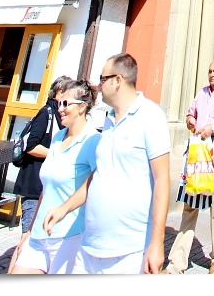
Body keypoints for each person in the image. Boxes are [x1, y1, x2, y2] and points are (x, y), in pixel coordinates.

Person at [43, 53, 171, 274]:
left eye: (103, 79)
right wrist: (65, 208)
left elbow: (162, 179)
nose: (99, 86)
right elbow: (98, 174)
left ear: (118, 80)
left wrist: (157, 243)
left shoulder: (151, 116)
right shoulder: (108, 120)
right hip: (90, 246)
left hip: (128, 250)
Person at [9, 80, 100, 274]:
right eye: (59, 103)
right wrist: (29, 231)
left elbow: (97, 183)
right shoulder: (58, 137)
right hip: (39, 235)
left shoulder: (92, 140)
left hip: (69, 236)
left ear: (82, 107)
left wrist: (64, 209)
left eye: (66, 104)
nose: (60, 108)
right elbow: (46, 190)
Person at [165, 59, 214, 275]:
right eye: (209, 71)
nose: (212, 74)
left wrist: (213, 127)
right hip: (199, 153)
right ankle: (177, 263)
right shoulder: (202, 93)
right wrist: (191, 119)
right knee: (190, 206)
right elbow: (191, 113)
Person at [12, 75, 73, 237]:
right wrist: (59, 154)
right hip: (34, 184)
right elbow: (31, 146)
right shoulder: (46, 113)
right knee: (29, 236)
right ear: (59, 92)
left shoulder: (60, 116)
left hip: (46, 187)